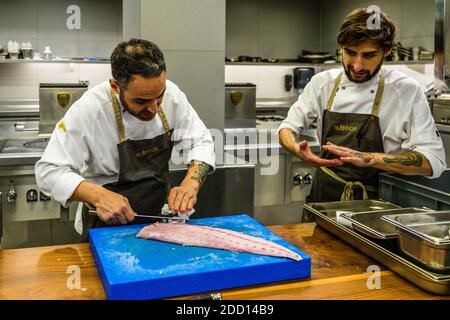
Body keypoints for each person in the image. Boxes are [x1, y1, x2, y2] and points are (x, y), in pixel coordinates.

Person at [35, 38, 216, 240]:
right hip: (105, 227)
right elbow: (48, 171)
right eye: (141, 101)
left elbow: (200, 141)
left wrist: (190, 185)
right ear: (115, 86)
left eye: (159, 97)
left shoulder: (173, 95)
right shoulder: (90, 109)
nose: (154, 109)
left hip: (159, 222)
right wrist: (98, 195)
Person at [277, 8, 446, 222]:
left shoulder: (406, 91)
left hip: (377, 213)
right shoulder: (324, 83)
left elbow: (433, 161)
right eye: (349, 52)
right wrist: (295, 148)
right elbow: (287, 127)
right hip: (323, 203)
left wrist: (370, 159)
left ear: (386, 51)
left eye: (368, 55)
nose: (357, 65)